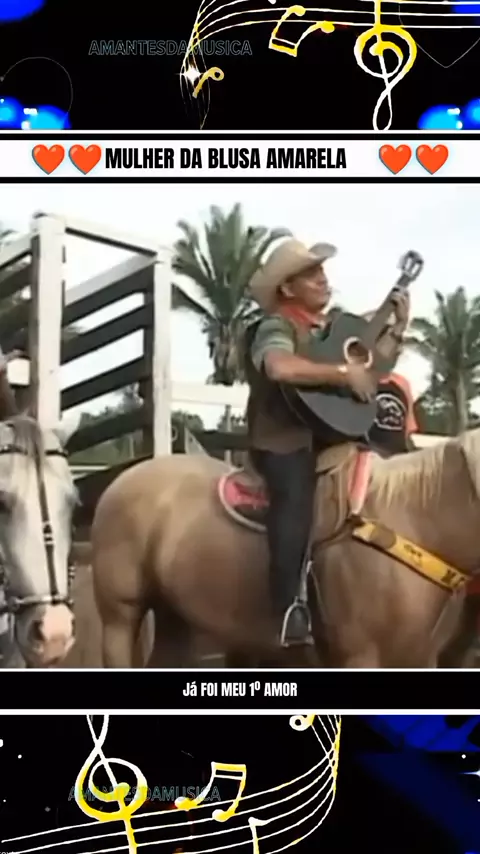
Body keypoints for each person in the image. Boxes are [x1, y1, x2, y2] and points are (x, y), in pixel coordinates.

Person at [244, 239, 411, 648]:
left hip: (334, 438)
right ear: (287, 288)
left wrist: (397, 328)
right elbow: (279, 367)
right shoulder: (276, 326)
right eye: (311, 274)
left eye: (322, 271)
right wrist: (341, 374)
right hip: (284, 441)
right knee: (294, 500)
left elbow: (373, 367)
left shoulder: (334, 328)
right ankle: (289, 610)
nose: (323, 279)